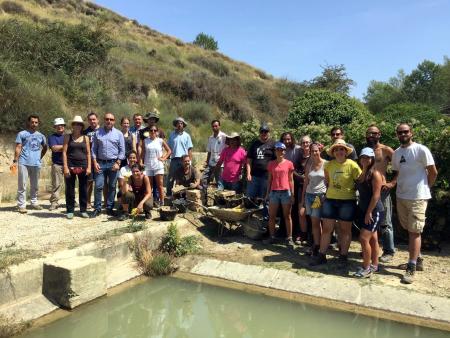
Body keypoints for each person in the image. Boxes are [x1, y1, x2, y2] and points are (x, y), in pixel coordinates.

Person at [391, 123, 437, 284]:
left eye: (405, 131)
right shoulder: (397, 153)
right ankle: (418, 260)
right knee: (407, 228)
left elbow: (433, 172)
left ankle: (411, 267)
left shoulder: (421, 149)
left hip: (418, 197)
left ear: (411, 133)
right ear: (397, 134)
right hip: (401, 196)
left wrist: (425, 188)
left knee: (414, 231)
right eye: (400, 132)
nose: (403, 134)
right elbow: (398, 172)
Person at [311, 139, 362, 266]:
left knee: (345, 230)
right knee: (327, 229)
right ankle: (322, 255)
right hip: (330, 200)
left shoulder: (352, 165)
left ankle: (343, 257)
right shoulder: (328, 165)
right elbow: (328, 182)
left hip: (347, 201)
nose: (339, 151)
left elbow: (360, 180)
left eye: (342, 149)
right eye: (336, 149)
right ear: (333, 152)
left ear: (346, 151)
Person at [365, 125, 396, 263]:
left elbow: (401, 167)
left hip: (382, 191)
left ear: (379, 134)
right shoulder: (366, 151)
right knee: (369, 219)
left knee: (385, 222)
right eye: (369, 134)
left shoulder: (386, 150)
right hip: (368, 190)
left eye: (374, 133)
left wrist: (392, 183)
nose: (371, 136)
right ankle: (371, 248)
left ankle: (389, 251)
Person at [354, 148, 384, 278]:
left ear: (372, 159)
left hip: (374, 211)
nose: (365, 160)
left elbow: (376, 196)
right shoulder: (364, 172)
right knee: (373, 238)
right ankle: (374, 265)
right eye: (363, 157)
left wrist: (369, 212)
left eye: (368, 158)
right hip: (365, 210)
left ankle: (366, 268)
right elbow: (359, 183)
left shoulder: (375, 174)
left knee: (363, 238)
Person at [91, 113, 125, 217]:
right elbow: (94, 149)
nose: (109, 121)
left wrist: (118, 162)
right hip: (100, 163)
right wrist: (94, 162)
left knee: (112, 186)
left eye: (111, 119)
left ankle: (109, 208)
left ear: (114, 121)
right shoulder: (97, 133)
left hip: (113, 164)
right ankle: (97, 208)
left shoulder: (119, 134)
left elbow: (122, 150)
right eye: (107, 119)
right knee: (98, 186)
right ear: (104, 120)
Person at [11, 115, 47, 213]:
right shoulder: (22, 134)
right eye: (32, 122)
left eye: (36, 122)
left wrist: (39, 157)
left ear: (38, 123)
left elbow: (45, 147)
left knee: (35, 185)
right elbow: (18, 147)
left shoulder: (41, 136)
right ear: (28, 122)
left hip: (36, 163)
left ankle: (34, 202)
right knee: (22, 184)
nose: (34, 124)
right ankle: (22, 205)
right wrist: (15, 161)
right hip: (23, 162)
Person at [263, 142, 295, 246]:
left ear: (284, 151)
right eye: (277, 150)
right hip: (274, 192)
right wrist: (267, 194)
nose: (279, 152)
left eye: (282, 150)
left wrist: (293, 194)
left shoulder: (289, 163)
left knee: (287, 216)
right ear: (275, 151)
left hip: (286, 192)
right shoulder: (271, 164)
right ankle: (272, 237)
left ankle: (289, 238)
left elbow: (291, 180)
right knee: (272, 216)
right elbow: (269, 180)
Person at [300, 142, 327, 257]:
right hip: (309, 195)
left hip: (319, 196)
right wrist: (302, 200)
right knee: (313, 222)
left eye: (316, 151)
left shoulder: (326, 164)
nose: (314, 153)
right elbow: (306, 181)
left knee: (316, 221)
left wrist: (326, 196)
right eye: (312, 151)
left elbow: (329, 182)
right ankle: (316, 245)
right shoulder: (309, 164)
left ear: (320, 151)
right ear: (309, 152)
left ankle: (318, 246)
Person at [62, 116, 91, 219]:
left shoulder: (86, 138)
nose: (77, 126)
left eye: (79, 124)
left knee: (83, 188)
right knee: (69, 189)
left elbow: (88, 153)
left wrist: (89, 167)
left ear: (82, 126)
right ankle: (70, 210)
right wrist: (65, 167)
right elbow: (64, 152)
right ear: (72, 125)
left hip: (83, 165)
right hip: (70, 165)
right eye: (75, 124)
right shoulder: (67, 137)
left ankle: (83, 210)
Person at [246, 123, 275, 215]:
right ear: (259, 133)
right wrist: (248, 173)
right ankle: (249, 219)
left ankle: (264, 220)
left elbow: (276, 161)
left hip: (267, 177)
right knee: (250, 198)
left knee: (265, 199)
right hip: (254, 176)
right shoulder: (254, 144)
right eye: (262, 131)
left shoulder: (273, 144)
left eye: (265, 131)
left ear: (268, 132)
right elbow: (249, 160)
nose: (264, 133)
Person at [141, 125, 172, 206]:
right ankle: (149, 203)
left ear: (157, 132)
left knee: (160, 185)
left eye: (155, 130)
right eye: (151, 130)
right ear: (149, 132)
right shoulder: (145, 141)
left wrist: (164, 158)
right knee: (149, 186)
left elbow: (169, 151)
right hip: (148, 166)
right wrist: (141, 162)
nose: (153, 132)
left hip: (158, 165)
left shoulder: (160, 140)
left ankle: (162, 203)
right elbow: (143, 153)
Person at [167, 117, 193, 196]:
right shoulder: (172, 135)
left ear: (183, 125)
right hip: (174, 159)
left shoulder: (187, 136)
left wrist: (190, 160)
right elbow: (169, 148)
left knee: (183, 178)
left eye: (181, 123)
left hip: (184, 160)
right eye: (178, 123)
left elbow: (189, 149)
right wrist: (168, 158)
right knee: (171, 178)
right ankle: (168, 195)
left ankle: (181, 195)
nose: (179, 125)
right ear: (176, 124)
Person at [296, 135, 312, 244]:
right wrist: (302, 177)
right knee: (301, 212)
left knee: (314, 213)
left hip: (314, 188)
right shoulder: (299, 157)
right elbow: (294, 170)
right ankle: (303, 234)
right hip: (302, 186)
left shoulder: (315, 154)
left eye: (307, 142)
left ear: (310, 143)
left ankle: (313, 235)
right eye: (303, 143)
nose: (305, 144)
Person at [202, 120, 227, 189]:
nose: (214, 128)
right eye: (213, 126)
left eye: (216, 126)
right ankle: (205, 195)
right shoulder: (210, 138)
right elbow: (209, 151)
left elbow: (228, 149)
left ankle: (220, 198)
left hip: (220, 164)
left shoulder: (224, 137)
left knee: (219, 182)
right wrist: (207, 162)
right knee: (204, 179)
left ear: (219, 126)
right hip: (211, 163)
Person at [48, 118, 66, 211]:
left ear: (64, 126)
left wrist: (61, 147)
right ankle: (54, 202)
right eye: (58, 125)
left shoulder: (68, 136)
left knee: (70, 184)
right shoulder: (52, 137)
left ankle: (71, 201)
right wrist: (67, 146)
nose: (60, 127)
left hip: (68, 163)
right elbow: (54, 148)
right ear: (55, 127)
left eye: (62, 125)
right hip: (57, 164)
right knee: (56, 184)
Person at [83, 112, 100, 209]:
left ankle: (101, 202)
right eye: (90, 119)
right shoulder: (85, 132)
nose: (92, 121)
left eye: (94, 119)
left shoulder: (102, 130)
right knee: (89, 182)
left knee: (100, 182)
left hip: (100, 159)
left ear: (97, 120)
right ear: (88, 121)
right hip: (88, 159)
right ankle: (87, 201)